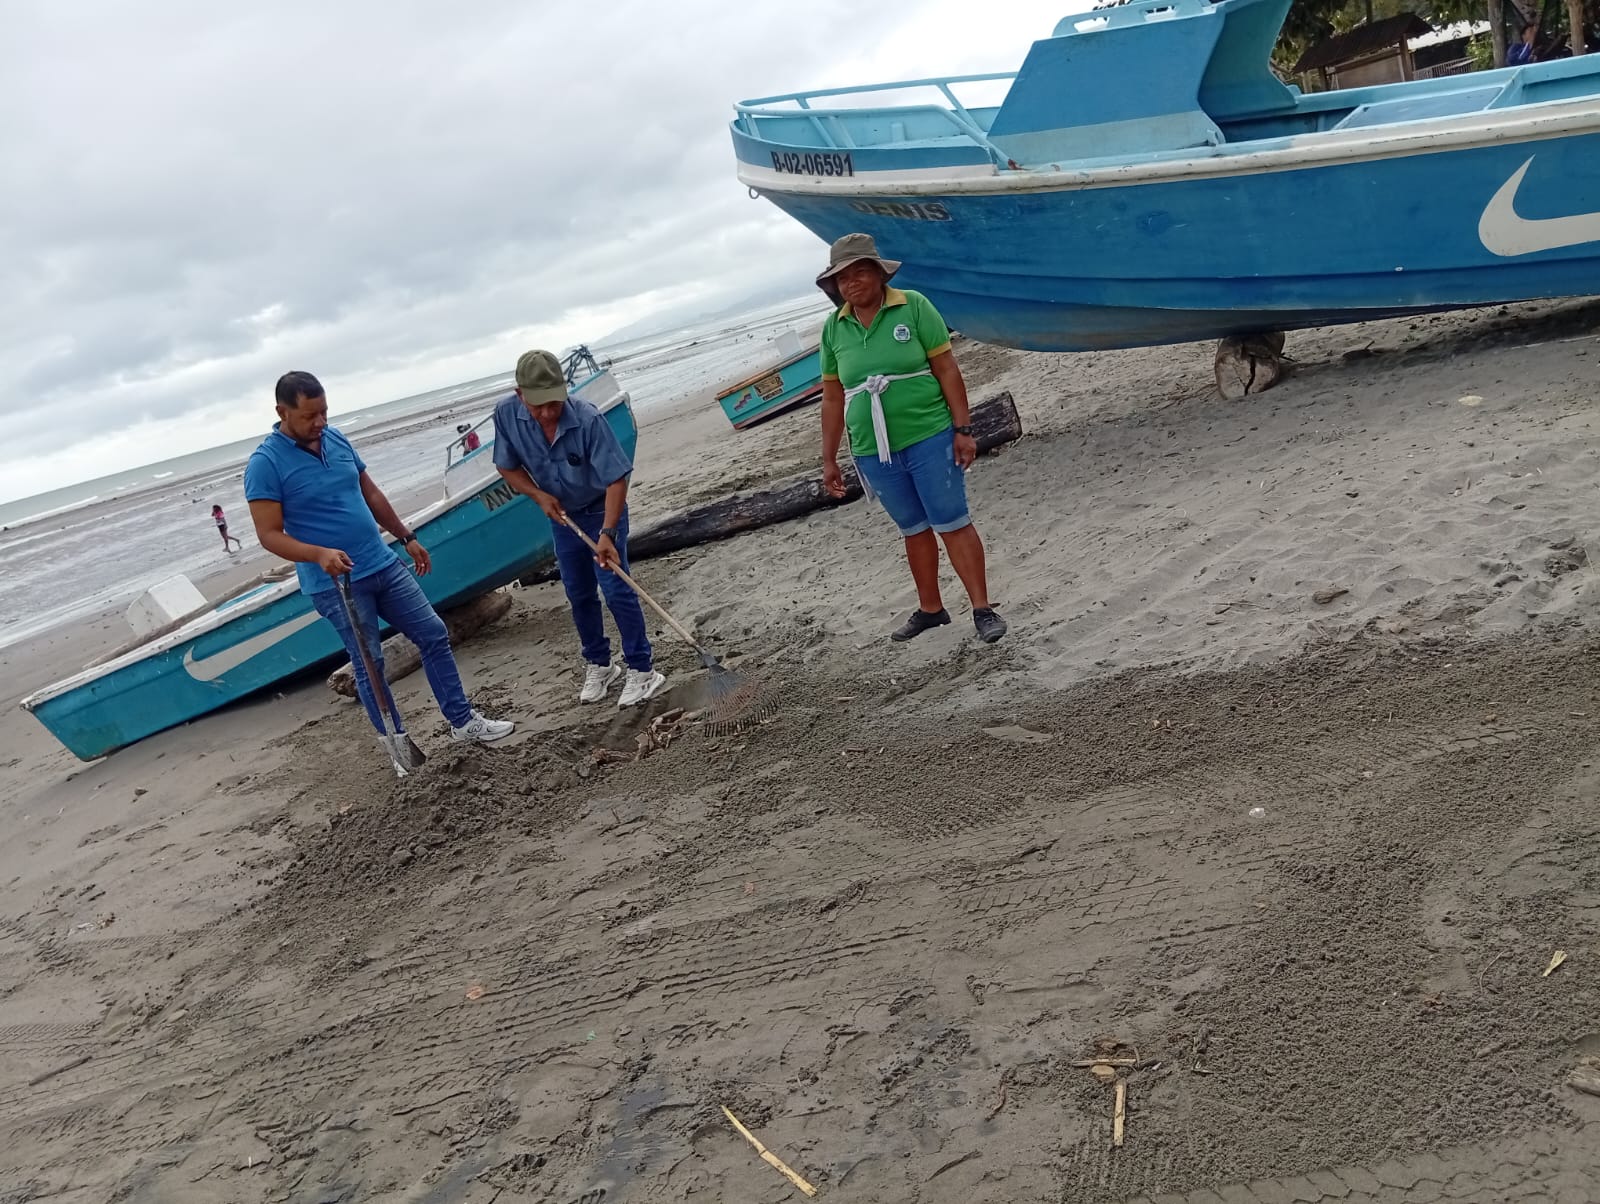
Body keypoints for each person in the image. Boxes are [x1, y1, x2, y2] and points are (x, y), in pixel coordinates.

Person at [244, 370, 514, 752]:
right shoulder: (265, 464)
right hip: (336, 584)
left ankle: (463, 722)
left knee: (433, 633)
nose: (320, 422)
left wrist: (407, 537)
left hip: (381, 562)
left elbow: (369, 493)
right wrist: (318, 553)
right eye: (309, 416)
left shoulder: (335, 438)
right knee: (369, 662)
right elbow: (269, 534)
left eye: (324, 412)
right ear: (282, 412)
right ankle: (397, 744)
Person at [817, 233, 1007, 644]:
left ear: (879, 273)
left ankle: (982, 608)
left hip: (929, 436)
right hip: (873, 450)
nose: (852, 282)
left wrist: (963, 430)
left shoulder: (914, 305)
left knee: (952, 521)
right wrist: (829, 459)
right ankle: (931, 609)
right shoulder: (834, 328)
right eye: (842, 277)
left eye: (859, 272)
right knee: (913, 528)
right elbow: (832, 397)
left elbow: (947, 369)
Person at [491, 350, 667, 708]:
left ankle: (642, 669)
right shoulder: (506, 414)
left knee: (615, 590)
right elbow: (506, 467)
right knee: (578, 592)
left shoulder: (588, 419)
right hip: (563, 516)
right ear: (520, 394)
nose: (547, 413)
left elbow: (616, 479)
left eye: (554, 403)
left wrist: (608, 533)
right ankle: (600, 664)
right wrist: (538, 495)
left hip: (603, 508)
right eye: (538, 405)